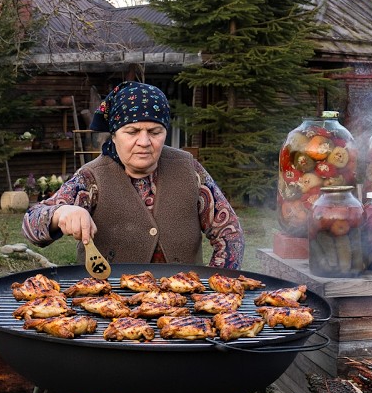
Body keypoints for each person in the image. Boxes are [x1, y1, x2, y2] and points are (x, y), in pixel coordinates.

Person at [22, 81, 244, 269]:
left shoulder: (188, 169)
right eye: (132, 131)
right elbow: (31, 226)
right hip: (110, 308)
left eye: (155, 132)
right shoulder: (91, 177)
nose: (145, 142)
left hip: (181, 311)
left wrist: (213, 291)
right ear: (114, 135)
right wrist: (61, 213)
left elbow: (229, 234)